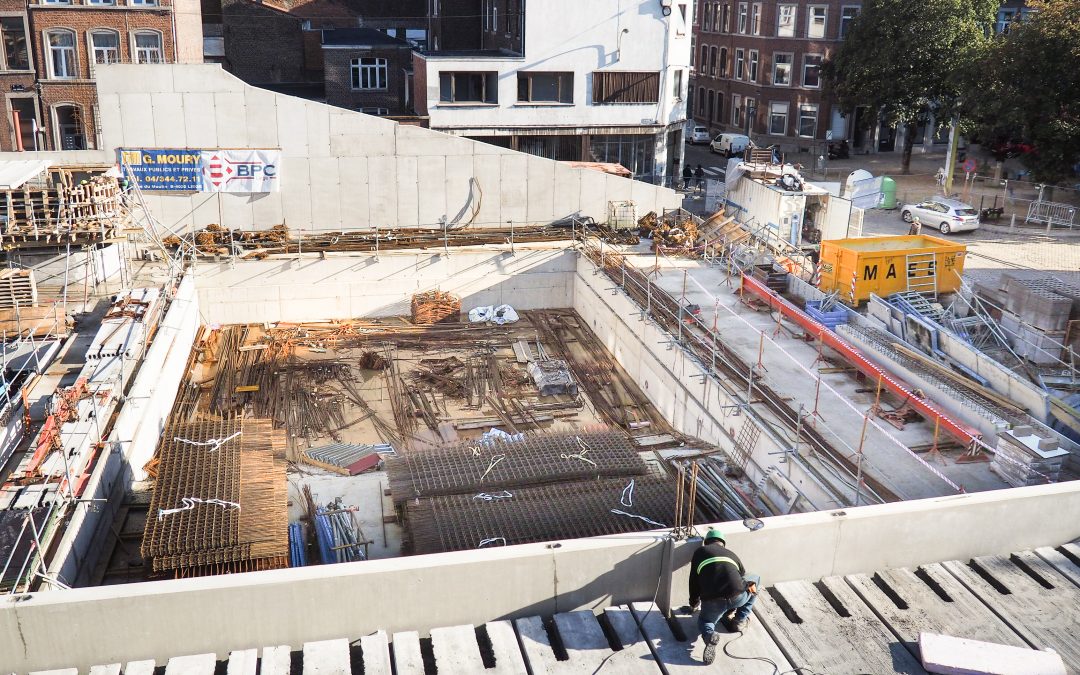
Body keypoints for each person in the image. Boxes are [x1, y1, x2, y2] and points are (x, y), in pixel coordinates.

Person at [688, 528, 760, 665]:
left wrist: (694, 602)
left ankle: (710, 635)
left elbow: (693, 581)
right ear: (723, 543)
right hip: (737, 596)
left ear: (706, 543)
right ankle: (739, 620)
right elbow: (743, 575)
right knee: (755, 579)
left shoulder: (700, 552)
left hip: (713, 601)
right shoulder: (731, 554)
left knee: (705, 621)